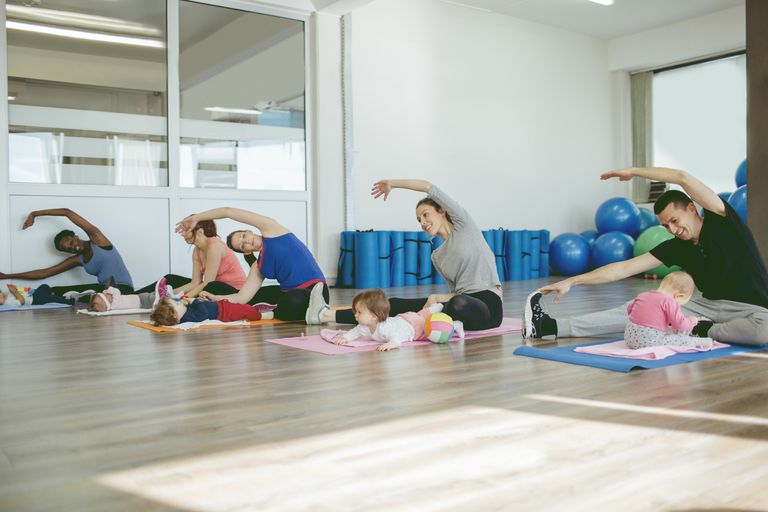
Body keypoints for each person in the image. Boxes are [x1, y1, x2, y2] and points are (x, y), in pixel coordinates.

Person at [523, 167, 768, 346]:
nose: (673, 229)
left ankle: (703, 330)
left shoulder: (723, 221)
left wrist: (634, 172)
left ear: (692, 208)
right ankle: (548, 326)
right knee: (643, 307)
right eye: (666, 226)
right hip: (706, 306)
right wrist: (572, 281)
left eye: (675, 220)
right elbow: (622, 269)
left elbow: (682, 177)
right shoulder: (677, 246)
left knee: (763, 332)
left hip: (753, 310)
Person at [313, 180, 503, 331]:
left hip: (487, 306)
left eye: (426, 215)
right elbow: (455, 291)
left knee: (457, 303)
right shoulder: (437, 256)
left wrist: (392, 184)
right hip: (458, 304)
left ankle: (432, 321)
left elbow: (428, 186)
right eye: (419, 220)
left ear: (441, 211)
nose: (423, 222)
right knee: (394, 304)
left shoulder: (464, 226)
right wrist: (437, 299)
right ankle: (325, 315)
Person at [175, 207, 328, 323]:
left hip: (316, 289)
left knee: (291, 301)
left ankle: (276, 311)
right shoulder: (258, 267)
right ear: (246, 251)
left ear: (249, 231)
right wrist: (215, 297)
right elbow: (242, 297)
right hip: (290, 295)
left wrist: (196, 218)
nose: (246, 241)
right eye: (242, 246)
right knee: (265, 298)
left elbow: (228, 211)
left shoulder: (272, 229)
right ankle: (283, 311)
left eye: (243, 236)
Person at [0, 208, 133, 297]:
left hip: (123, 289)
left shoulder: (98, 240)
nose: (73, 247)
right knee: (56, 291)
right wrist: (7, 276)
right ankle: (23, 296)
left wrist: (34, 214)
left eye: (71, 242)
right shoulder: (78, 259)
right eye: (68, 249)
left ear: (75, 236)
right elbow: (44, 273)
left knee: (79, 296)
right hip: (105, 290)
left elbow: (67, 212)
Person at [134, 219, 246, 298]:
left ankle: (158, 298)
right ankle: (134, 297)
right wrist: (168, 293)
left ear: (200, 232)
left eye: (185, 230)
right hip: (212, 287)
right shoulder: (197, 250)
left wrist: (182, 298)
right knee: (170, 279)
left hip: (234, 292)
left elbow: (208, 282)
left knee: (211, 286)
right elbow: (195, 283)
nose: (182, 234)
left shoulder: (215, 246)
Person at [330, 289, 458, 351]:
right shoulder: (364, 327)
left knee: (429, 323)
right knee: (420, 314)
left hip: (412, 327)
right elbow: (355, 332)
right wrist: (345, 338)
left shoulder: (385, 329)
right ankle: (434, 308)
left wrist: (391, 344)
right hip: (402, 319)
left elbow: (397, 338)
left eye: (359, 312)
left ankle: (440, 310)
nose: (355, 315)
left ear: (374, 316)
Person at [624, 271, 712, 349]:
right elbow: (680, 324)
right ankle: (702, 342)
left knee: (668, 331)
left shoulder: (643, 295)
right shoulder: (669, 301)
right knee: (680, 339)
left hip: (629, 338)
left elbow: (629, 309)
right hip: (649, 341)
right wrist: (691, 322)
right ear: (679, 296)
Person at [150, 296, 272, 327]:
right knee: (243, 311)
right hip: (224, 312)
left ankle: (254, 309)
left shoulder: (185, 312)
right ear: (175, 316)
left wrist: (199, 301)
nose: (180, 302)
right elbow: (203, 315)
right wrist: (195, 302)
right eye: (177, 304)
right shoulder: (188, 318)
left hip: (221, 306)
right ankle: (262, 315)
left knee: (242, 307)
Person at [0, 283, 71, 307]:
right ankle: (67, 301)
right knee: (49, 298)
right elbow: (22, 302)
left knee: (44, 286)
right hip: (35, 301)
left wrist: (14, 288)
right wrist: (15, 292)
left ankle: (56, 295)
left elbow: (20, 291)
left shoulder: (6, 293)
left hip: (33, 294)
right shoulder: (8, 303)